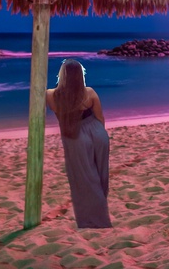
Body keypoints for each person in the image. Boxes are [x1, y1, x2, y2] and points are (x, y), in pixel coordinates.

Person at [46, 59, 112, 228]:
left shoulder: (50, 95)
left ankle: (93, 221)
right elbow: (100, 117)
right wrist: (99, 135)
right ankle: (99, 214)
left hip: (75, 136)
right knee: (100, 176)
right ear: (80, 76)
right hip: (97, 133)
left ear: (63, 75)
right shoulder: (89, 92)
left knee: (83, 180)